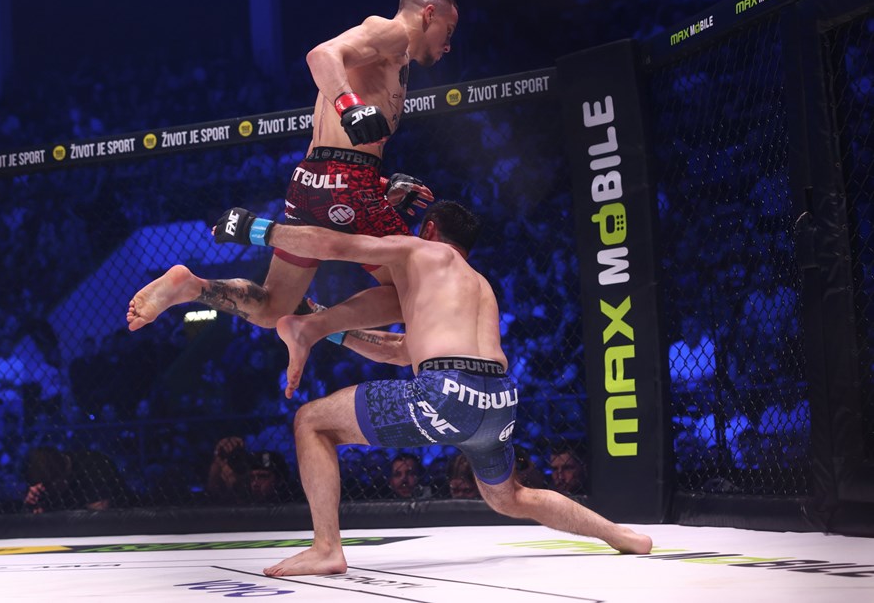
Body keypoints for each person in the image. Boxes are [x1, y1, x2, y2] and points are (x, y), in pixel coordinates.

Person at [211, 200, 653, 576]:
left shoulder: (418, 250)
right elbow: (400, 352)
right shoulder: (478, 285)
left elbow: (334, 245)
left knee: (312, 421)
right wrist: (325, 328)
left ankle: (327, 547)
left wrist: (254, 229)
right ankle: (619, 534)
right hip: (498, 401)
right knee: (510, 497)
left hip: (445, 391)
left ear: (428, 229)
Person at [126, 0, 456, 333]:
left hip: (311, 181)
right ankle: (312, 328)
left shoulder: (395, 56)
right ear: (428, 13)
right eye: (448, 30)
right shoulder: (391, 32)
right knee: (422, 289)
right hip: (347, 183)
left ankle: (193, 286)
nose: (448, 45)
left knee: (272, 309)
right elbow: (321, 55)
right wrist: (349, 106)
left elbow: (339, 151)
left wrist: (381, 184)